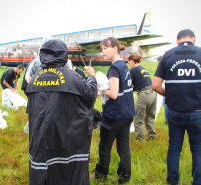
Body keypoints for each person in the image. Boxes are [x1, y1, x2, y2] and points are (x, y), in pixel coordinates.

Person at [26, 38, 97, 185]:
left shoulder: (34, 79)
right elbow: (90, 97)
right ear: (64, 55)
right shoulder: (73, 77)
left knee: (45, 162)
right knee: (66, 165)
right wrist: (92, 77)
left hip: (40, 133)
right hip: (66, 132)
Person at [152, 29, 201, 185]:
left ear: (177, 41)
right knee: (198, 150)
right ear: (194, 39)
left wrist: (170, 95)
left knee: (174, 149)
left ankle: (172, 181)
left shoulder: (167, 55)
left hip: (174, 111)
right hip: (197, 111)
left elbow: (155, 85)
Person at [89, 37, 135, 184]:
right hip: (127, 114)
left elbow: (113, 94)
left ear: (115, 48)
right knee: (123, 148)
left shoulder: (114, 68)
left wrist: (97, 87)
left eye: (105, 48)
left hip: (114, 116)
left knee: (104, 146)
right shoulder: (124, 65)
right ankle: (124, 177)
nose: (102, 51)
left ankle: (101, 175)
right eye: (101, 49)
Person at [128, 53, 157, 141]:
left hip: (145, 94)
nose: (129, 64)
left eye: (128, 62)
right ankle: (152, 137)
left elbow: (128, 84)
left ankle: (140, 140)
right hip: (153, 93)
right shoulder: (143, 69)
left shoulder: (133, 70)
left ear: (132, 61)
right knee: (150, 117)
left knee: (138, 118)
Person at [157, 55, 168, 124]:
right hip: (165, 91)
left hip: (169, 91)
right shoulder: (161, 69)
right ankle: (167, 121)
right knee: (166, 108)